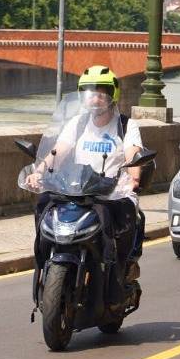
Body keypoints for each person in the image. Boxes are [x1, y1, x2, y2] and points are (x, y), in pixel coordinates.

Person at [27, 65, 147, 261]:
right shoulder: (77, 123)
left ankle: (117, 266)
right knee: (44, 203)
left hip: (110, 192)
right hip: (77, 189)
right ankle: (43, 257)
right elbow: (59, 150)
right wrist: (39, 172)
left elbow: (132, 153)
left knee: (123, 213)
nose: (95, 99)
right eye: (90, 94)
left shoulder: (126, 125)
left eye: (101, 94)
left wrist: (133, 177)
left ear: (112, 96)